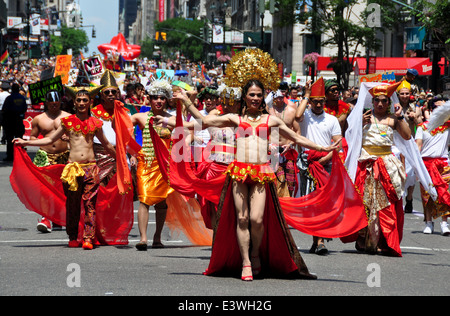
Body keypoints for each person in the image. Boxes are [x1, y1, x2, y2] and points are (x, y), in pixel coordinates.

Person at [199, 50, 340, 281]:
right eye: (251, 95)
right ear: (244, 97)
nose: (255, 98)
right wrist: (185, 102)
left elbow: (296, 138)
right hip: (238, 172)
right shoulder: (236, 118)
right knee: (242, 218)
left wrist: (323, 148)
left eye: (258, 95)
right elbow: (205, 121)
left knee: (256, 219)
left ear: (263, 97)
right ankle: (246, 261)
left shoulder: (271, 120)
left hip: (262, 173)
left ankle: (255, 254)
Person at [14, 89, 116, 250]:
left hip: (90, 167)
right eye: (79, 100)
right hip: (72, 169)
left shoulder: (96, 123)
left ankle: (88, 237)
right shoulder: (67, 122)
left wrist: (122, 159)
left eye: (84, 100)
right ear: (74, 103)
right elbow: (49, 139)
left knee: (90, 205)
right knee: (73, 204)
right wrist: (24, 142)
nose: (81, 103)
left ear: (90, 102)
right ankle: (73, 236)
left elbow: (107, 145)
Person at [350, 82, 411, 256]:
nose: (380, 104)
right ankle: (364, 239)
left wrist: (400, 117)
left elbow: (407, 136)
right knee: (365, 201)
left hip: (387, 165)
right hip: (366, 164)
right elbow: (349, 135)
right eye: (377, 100)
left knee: (385, 204)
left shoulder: (393, 119)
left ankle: (383, 240)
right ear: (372, 101)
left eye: (384, 101)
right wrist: (359, 124)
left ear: (389, 102)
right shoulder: (365, 117)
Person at [295, 77, 342, 255]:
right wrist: (306, 95)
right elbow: (297, 116)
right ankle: (317, 239)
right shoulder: (305, 115)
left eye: (321, 101)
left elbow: (338, 143)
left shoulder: (331, 120)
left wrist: (324, 159)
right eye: (315, 101)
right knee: (311, 204)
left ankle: (320, 240)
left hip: (326, 164)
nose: (318, 105)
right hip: (307, 165)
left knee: (323, 204)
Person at [31, 90, 71, 233]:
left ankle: (59, 218)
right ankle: (45, 218)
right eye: (51, 104)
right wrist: (40, 142)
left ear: (60, 102)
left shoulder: (68, 117)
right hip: (46, 155)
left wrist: (69, 139)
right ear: (46, 103)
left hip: (64, 155)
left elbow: (78, 136)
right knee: (45, 188)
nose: (54, 106)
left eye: (57, 103)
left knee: (64, 188)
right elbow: (33, 137)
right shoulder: (39, 119)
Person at [415, 100, 450, 236]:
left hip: (443, 165)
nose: (440, 111)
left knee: (443, 193)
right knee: (427, 196)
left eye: (443, 108)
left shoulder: (447, 127)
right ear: (429, 111)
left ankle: (444, 224)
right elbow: (418, 146)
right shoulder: (422, 127)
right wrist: (417, 167)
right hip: (426, 165)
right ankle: (429, 223)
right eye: (437, 108)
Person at [396, 80, 422, 213]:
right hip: (397, 143)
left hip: (410, 142)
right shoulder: (393, 106)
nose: (404, 96)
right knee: (399, 173)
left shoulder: (415, 107)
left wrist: (415, 117)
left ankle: (410, 198)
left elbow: (421, 122)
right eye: (402, 94)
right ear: (398, 94)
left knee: (411, 173)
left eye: (407, 93)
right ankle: (399, 198)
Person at [268, 89, 300, 197]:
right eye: (277, 97)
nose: (279, 99)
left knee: (290, 183)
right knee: (274, 183)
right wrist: (268, 145)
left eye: (281, 97)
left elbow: (297, 131)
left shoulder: (291, 110)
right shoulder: (267, 110)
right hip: (272, 152)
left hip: (287, 151)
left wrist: (290, 144)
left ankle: (288, 208)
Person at [2, 83, 27, 161]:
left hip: (10, 121)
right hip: (19, 120)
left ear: (12, 89)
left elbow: (4, 109)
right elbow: (25, 108)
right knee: (19, 138)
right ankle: (19, 155)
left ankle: (10, 156)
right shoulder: (22, 98)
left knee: (9, 139)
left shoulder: (9, 98)